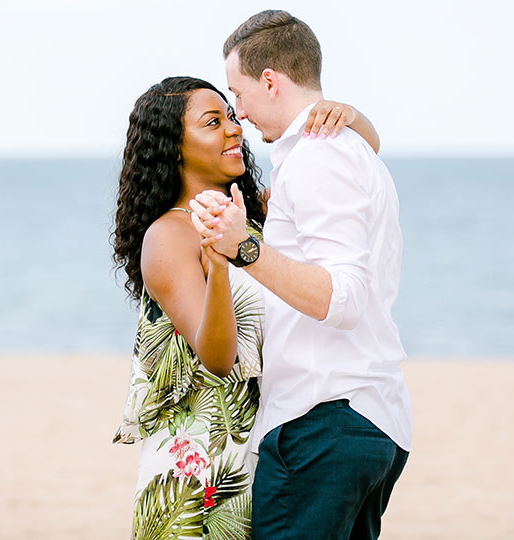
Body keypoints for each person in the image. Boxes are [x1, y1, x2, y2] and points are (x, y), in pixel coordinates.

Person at [112, 76, 381, 540]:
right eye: (213, 122)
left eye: (232, 116)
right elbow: (217, 357)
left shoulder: (252, 217)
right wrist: (218, 268)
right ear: (173, 147)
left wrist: (348, 116)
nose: (234, 128)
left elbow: (362, 157)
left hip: (255, 454)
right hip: (193, 473)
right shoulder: (169, 236)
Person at [190, 10, 412, 540]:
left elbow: (345, 298)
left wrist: (244, 248)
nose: (237, 114)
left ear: (270, 81)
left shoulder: (318, 158)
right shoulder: (339, 148)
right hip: (356, 419)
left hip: (323, 422)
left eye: (237, 94)